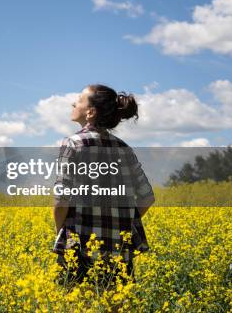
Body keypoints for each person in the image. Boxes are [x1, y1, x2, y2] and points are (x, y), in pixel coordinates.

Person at [52, 84, 155, 288]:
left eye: (80, 99)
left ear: (90, 112)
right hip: (119, 250)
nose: (74, 102)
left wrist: (60, 231)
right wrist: (123, 224)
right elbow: (147, 198)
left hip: (80, 247)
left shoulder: (73, 144)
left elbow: (61, 199)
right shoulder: (124, 149)